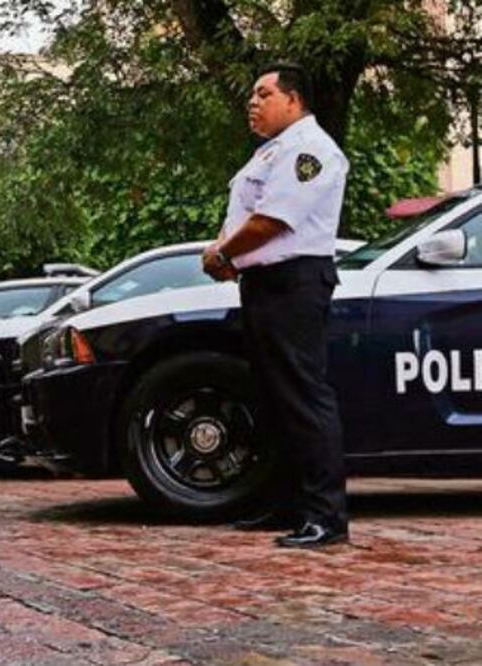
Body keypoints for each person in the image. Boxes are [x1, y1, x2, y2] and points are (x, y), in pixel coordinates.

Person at [202, 62, 349, 548]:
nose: (253, 102)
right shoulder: (271, 153)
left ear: (294, 99)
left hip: (294, 283)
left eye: (263, 93)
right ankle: (287, 504)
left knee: (304, 397)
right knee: (273, 398)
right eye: (251, 94)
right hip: (264, 283)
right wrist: (230, 257)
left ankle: (326, 518)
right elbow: (245, 215)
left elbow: (274, 221)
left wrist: (224, 253)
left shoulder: (309, 149)